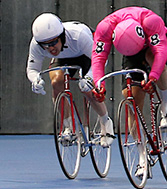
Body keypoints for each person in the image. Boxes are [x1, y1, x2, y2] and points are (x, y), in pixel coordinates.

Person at [27, 13, 114, 146]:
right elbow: (32, 69)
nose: (50, 48)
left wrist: (89, 78)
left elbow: (101, 60)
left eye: (53, 42)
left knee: (87, 89)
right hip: (64, 57)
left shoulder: (79, 36)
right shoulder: (36, 44)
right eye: (45, 45)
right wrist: (35, 80)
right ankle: (68, 127)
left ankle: (105, 121)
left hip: (86, 55)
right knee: (56, 82)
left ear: (61, 36)